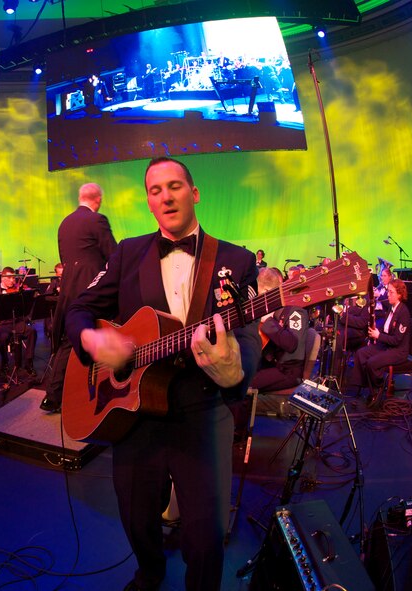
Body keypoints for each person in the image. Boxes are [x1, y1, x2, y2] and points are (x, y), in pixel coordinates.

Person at [66, 157, 260, 591]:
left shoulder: (236, 259)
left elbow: (246, 333)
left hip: (203, 411)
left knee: (207, 537)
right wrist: (94, 342)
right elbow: (79, 310)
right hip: (136, 419)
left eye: (175, 186)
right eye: (155, 190)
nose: (166, 196)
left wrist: (235, 370)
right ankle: (149, 574)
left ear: (194, 193)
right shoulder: (126, 253)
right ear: (149, 202)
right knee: (136, 517)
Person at [41, 183, 117, 412]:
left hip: (69, 287)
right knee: (104, 330)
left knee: (68, 339)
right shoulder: (97, 220)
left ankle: (53, 396)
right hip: (92, 286)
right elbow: (113, 256)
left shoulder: (64, 223)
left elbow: (64, 258)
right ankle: (97, 394)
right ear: (98, 199)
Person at [351, 278, 411, 407]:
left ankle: (377, 389)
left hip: (398, 351)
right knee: (361, 353)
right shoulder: (391, 308)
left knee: (372, 363)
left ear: (399, 294)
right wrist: (375, 335)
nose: (387, 294)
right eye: (388, 291)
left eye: (391, 292)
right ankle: (363, 387)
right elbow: (386, 329)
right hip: (387, 345)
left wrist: (378, 336)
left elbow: (396, 340)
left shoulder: (403, 313)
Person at [250, 267, 308, 393]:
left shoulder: (295, 310)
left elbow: (291, 344)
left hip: (287, 370)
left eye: (258, 293)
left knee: (245, 383)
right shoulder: (273, 307)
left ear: (266, 291)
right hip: (271, 362)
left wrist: (268, 321)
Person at [0, 267, 37, 376]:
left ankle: (29, 363)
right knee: (3, 337)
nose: (12, 281)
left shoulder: (17, 289)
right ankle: (5, 363)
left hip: (16, 321)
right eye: (9, 278)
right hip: (1, 324)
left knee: (31, 331)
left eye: (14, 278)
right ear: (2, 278)